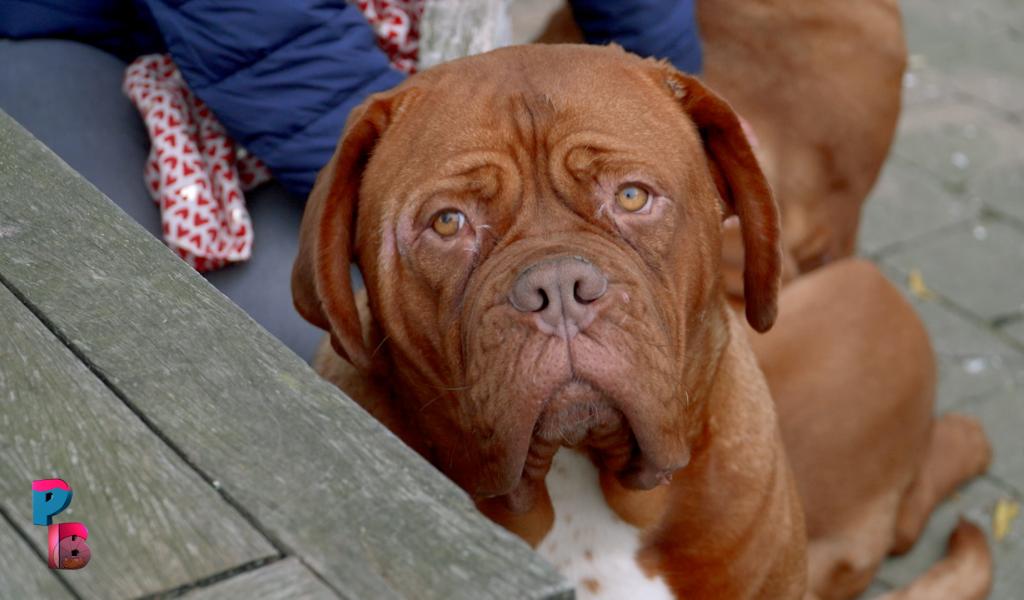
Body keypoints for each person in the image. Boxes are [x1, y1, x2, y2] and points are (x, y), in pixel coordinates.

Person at [0, 0, 702, 361]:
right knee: (345, 351)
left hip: (373, 78)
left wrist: (676, 121)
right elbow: (268, 43)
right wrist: (463, 231)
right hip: (92, 43)